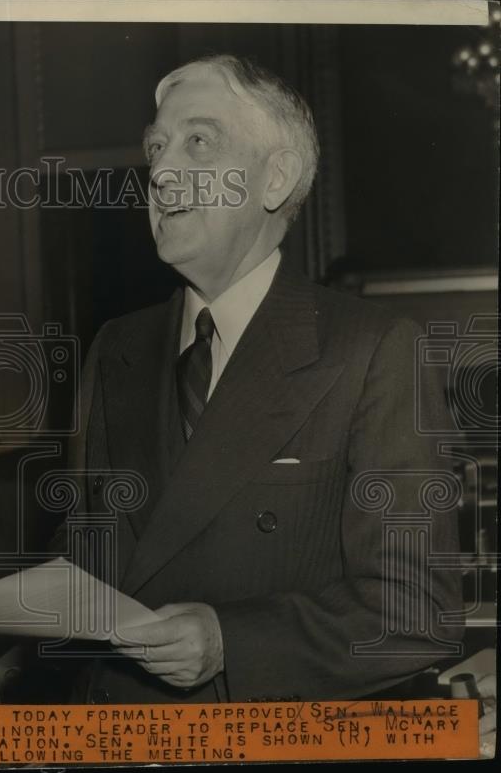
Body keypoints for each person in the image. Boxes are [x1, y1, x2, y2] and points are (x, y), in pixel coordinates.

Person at [55, 55, 464, 703]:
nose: (160, 173)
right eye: (155, 148)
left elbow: (416, 613)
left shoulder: (371, 349)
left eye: (198, 143)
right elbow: (83, 569)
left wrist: (230, 641)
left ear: (276, 178)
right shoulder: (116, 348)